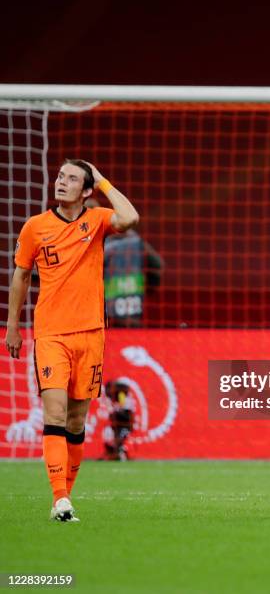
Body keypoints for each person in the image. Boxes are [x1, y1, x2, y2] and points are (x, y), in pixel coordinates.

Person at [5, 159, 139, 522]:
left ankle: (63, 499)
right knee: (55, 413)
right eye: (61, 176)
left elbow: (130, 218)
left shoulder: (95, 222)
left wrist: (103, 180)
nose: (61, 182)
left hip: (91, 334)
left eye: (72, 179)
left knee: (77, 421)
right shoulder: (36, 227)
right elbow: (20, 277)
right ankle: (60, 498)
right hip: (51, 334)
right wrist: (12, 327)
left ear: (85, 190)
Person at [86, 197, 163, 327]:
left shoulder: (99, 244)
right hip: (133, 310)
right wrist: (145, 288)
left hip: (105, 317)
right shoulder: (136, 239)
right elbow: (158, 266)